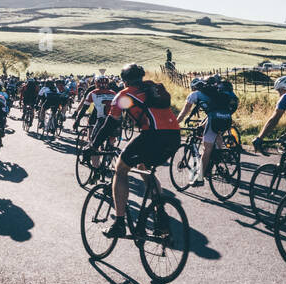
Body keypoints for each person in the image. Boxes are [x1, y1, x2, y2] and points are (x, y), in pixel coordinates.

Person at [86, 64, 182, 239]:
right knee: (143, 166)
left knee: (120, 169)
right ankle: (161, 217)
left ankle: (119, 223)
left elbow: (111, 123)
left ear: (124, 80)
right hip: (174, 136)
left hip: (153, 135)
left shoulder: (124, 95)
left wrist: (93, 145)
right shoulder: (153, 88)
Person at [176, 75, 237, 187]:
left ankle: (200, 178)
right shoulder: (217, 94)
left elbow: (184, 113)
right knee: (216, 135)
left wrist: (175, 124)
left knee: (206, 148)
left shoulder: (194, 95)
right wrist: (202, 125)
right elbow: (212, 112)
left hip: (215, 119)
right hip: (227, 118)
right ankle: (219, 156)